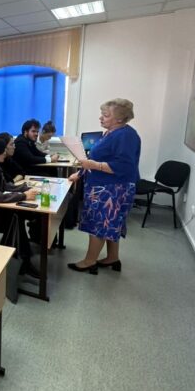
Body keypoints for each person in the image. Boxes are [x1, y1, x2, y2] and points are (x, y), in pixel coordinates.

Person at [67, 98, 141, 274]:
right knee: (111, 223)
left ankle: (89, 261)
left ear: (120, 118)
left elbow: (124, 166)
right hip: (103, 185)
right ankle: (112, 258)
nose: (101, 118)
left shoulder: (126, 136)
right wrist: (81, 173)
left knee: (99, 225)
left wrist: (94, 165)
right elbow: (97, 158)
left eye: (106, 115)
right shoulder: (110, 133)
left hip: (113, 189)